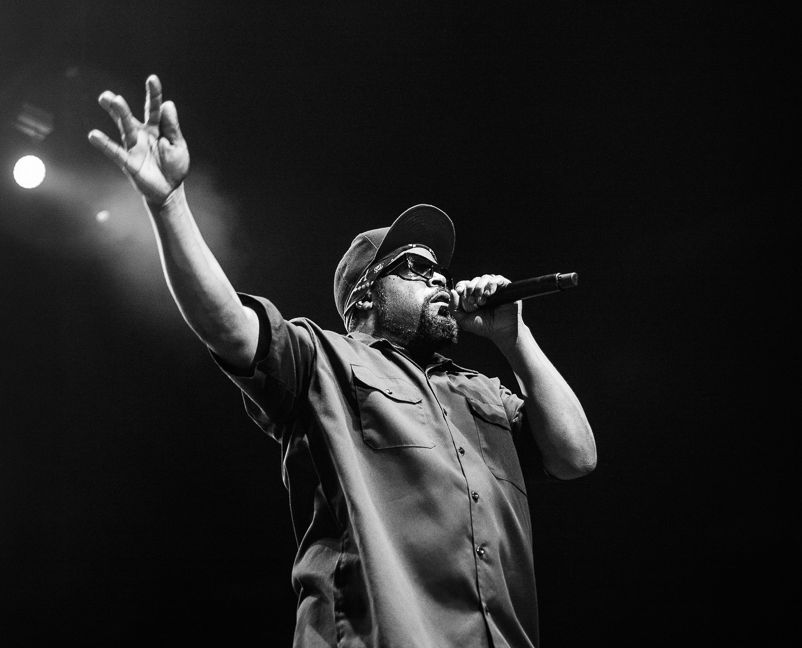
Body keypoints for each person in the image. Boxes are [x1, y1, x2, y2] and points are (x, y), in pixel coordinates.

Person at [89, 75, 596, 648]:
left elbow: (576, 456)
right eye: (412, 266)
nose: (438, 276)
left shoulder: (480, 392)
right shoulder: (324, 362)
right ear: (363, 297)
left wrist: (514, 338)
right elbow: (228, 325)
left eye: (438, 268)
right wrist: (170, 202)